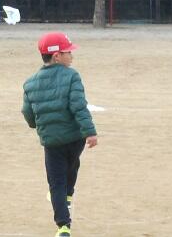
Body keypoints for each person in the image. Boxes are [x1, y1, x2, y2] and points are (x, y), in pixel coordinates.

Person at [22, 32, 98, 237]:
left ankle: (63, 227)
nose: (72, 56)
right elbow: (79, 106)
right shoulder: (72, 76)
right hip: (75, 138)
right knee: (71, 167)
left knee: (56, 183)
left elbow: (28, 113)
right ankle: (68, 196)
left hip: (51, 140)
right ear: (56, 56)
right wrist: (90, 132)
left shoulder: (30, 83)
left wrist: (36, 125)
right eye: (68, 52)